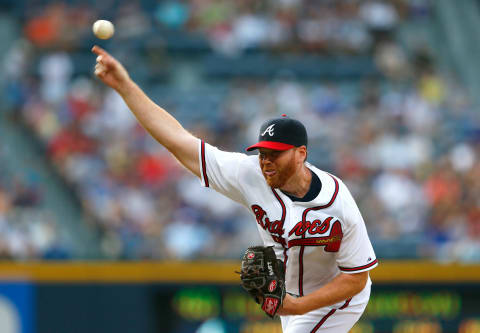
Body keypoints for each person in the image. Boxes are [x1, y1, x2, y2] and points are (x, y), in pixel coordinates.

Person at [92, 45, 378, 332]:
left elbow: (356, 278)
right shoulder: (250, 173)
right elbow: (178, 141)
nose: (266, 161)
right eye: (263, 153)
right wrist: (125, 86)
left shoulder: (336, 203)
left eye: (275, 154)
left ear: (301, 153)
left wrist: (299, 305)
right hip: (291, 300)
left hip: (338, 300)